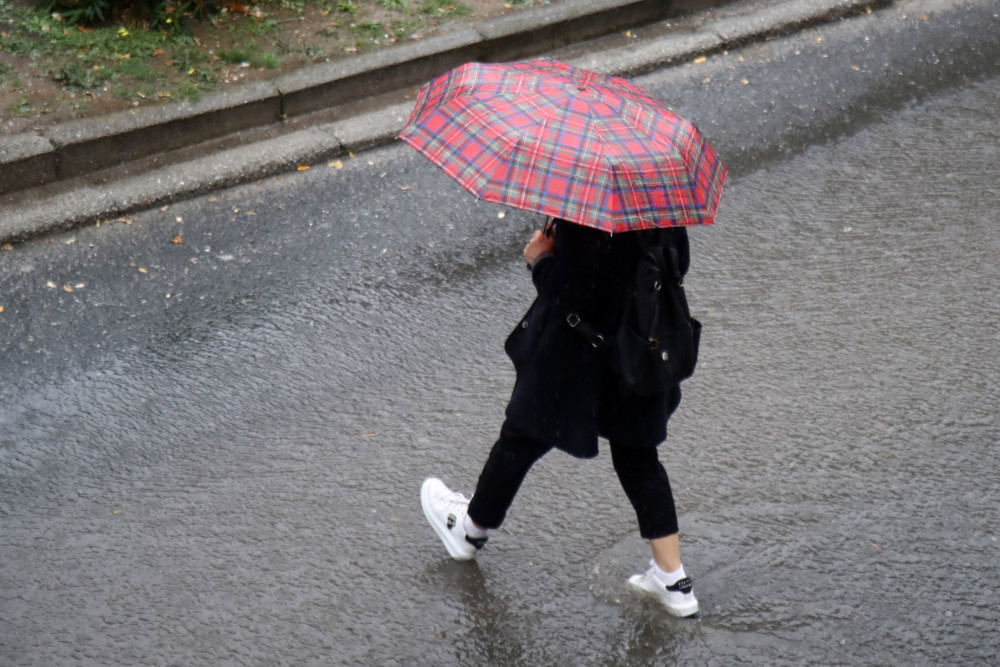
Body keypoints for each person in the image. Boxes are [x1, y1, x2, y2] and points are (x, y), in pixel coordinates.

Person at [420, 217, 699, 618]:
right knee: (639, 459)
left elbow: (572, 291)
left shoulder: (588, 210)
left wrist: (541, 259)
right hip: (640, 350)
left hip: (580, 355)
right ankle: (674, 582)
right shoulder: (657, 201)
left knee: (521, 435)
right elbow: (678, 264)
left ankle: (469, 529)